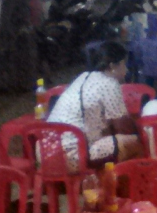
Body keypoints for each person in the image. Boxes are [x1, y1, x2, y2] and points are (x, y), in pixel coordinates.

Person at [47, 40, 141, 169]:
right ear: (112, 66)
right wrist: (139, 128)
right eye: (124, 64)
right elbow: (122, 127)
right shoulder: (109, 83)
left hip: (47, 152)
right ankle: (117, 180)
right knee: (137, 142)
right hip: (72, 156)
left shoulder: (83, 77)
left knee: (109, 138)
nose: (126, 69)